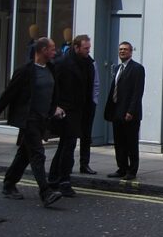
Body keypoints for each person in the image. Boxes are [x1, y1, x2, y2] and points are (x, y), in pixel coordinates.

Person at [0, 38, 63, 207]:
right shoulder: (25, 71)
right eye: (52, 49)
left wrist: (54, 109)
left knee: (25, 154)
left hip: (42, 119)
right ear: (43, 50)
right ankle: (46, 193)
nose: (55, 52)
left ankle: (9, 184)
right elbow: (8, 94)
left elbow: (53, 93)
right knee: (38, 154)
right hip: (28, 118)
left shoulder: (51, 69)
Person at [48, 34, 94, 197]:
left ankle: (54, 179)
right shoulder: (63, 63)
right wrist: (56, 106)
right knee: (68, 145)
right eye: (85, 48)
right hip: (66, 111)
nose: (88, 51)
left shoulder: (88, 62)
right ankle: (64, 181)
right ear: (76, 47)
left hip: (81, 110)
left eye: (89, 48)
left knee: (65, 146)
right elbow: (53, 85)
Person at [104, 41, 145, 180]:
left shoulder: (137, 69)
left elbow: (137, 93)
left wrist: (131, 112)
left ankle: (132, 171)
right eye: (120, 49)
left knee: (131, 143)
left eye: (125, 49)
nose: (122, 51)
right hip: (117, 112)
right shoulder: (117, 68)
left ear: (131, 52)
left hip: (130, 114)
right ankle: (121, 168)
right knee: (119, 142)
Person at [79, 57, 101, 174]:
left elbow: (96, 83)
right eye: (86, 48)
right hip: (74, 106)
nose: (88, 51)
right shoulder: (70, 62)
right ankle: (66, 164)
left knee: (86, 137)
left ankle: (84, 164)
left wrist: (94, 101)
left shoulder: (92, 62)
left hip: (88, 106)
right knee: (70, 137)